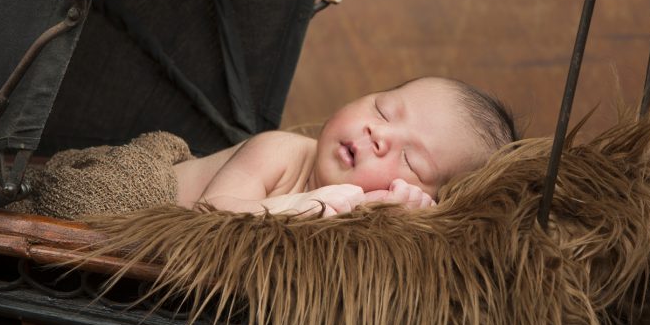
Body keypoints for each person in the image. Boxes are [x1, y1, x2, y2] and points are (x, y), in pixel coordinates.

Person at [173, 76, 516, 217]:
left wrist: (393, 220)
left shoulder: (353, 228)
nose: (378, 134)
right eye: (384, 110)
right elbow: (209, 216)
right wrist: (306, 206)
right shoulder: (279, 151)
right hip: (138, 198)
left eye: (410, 160)